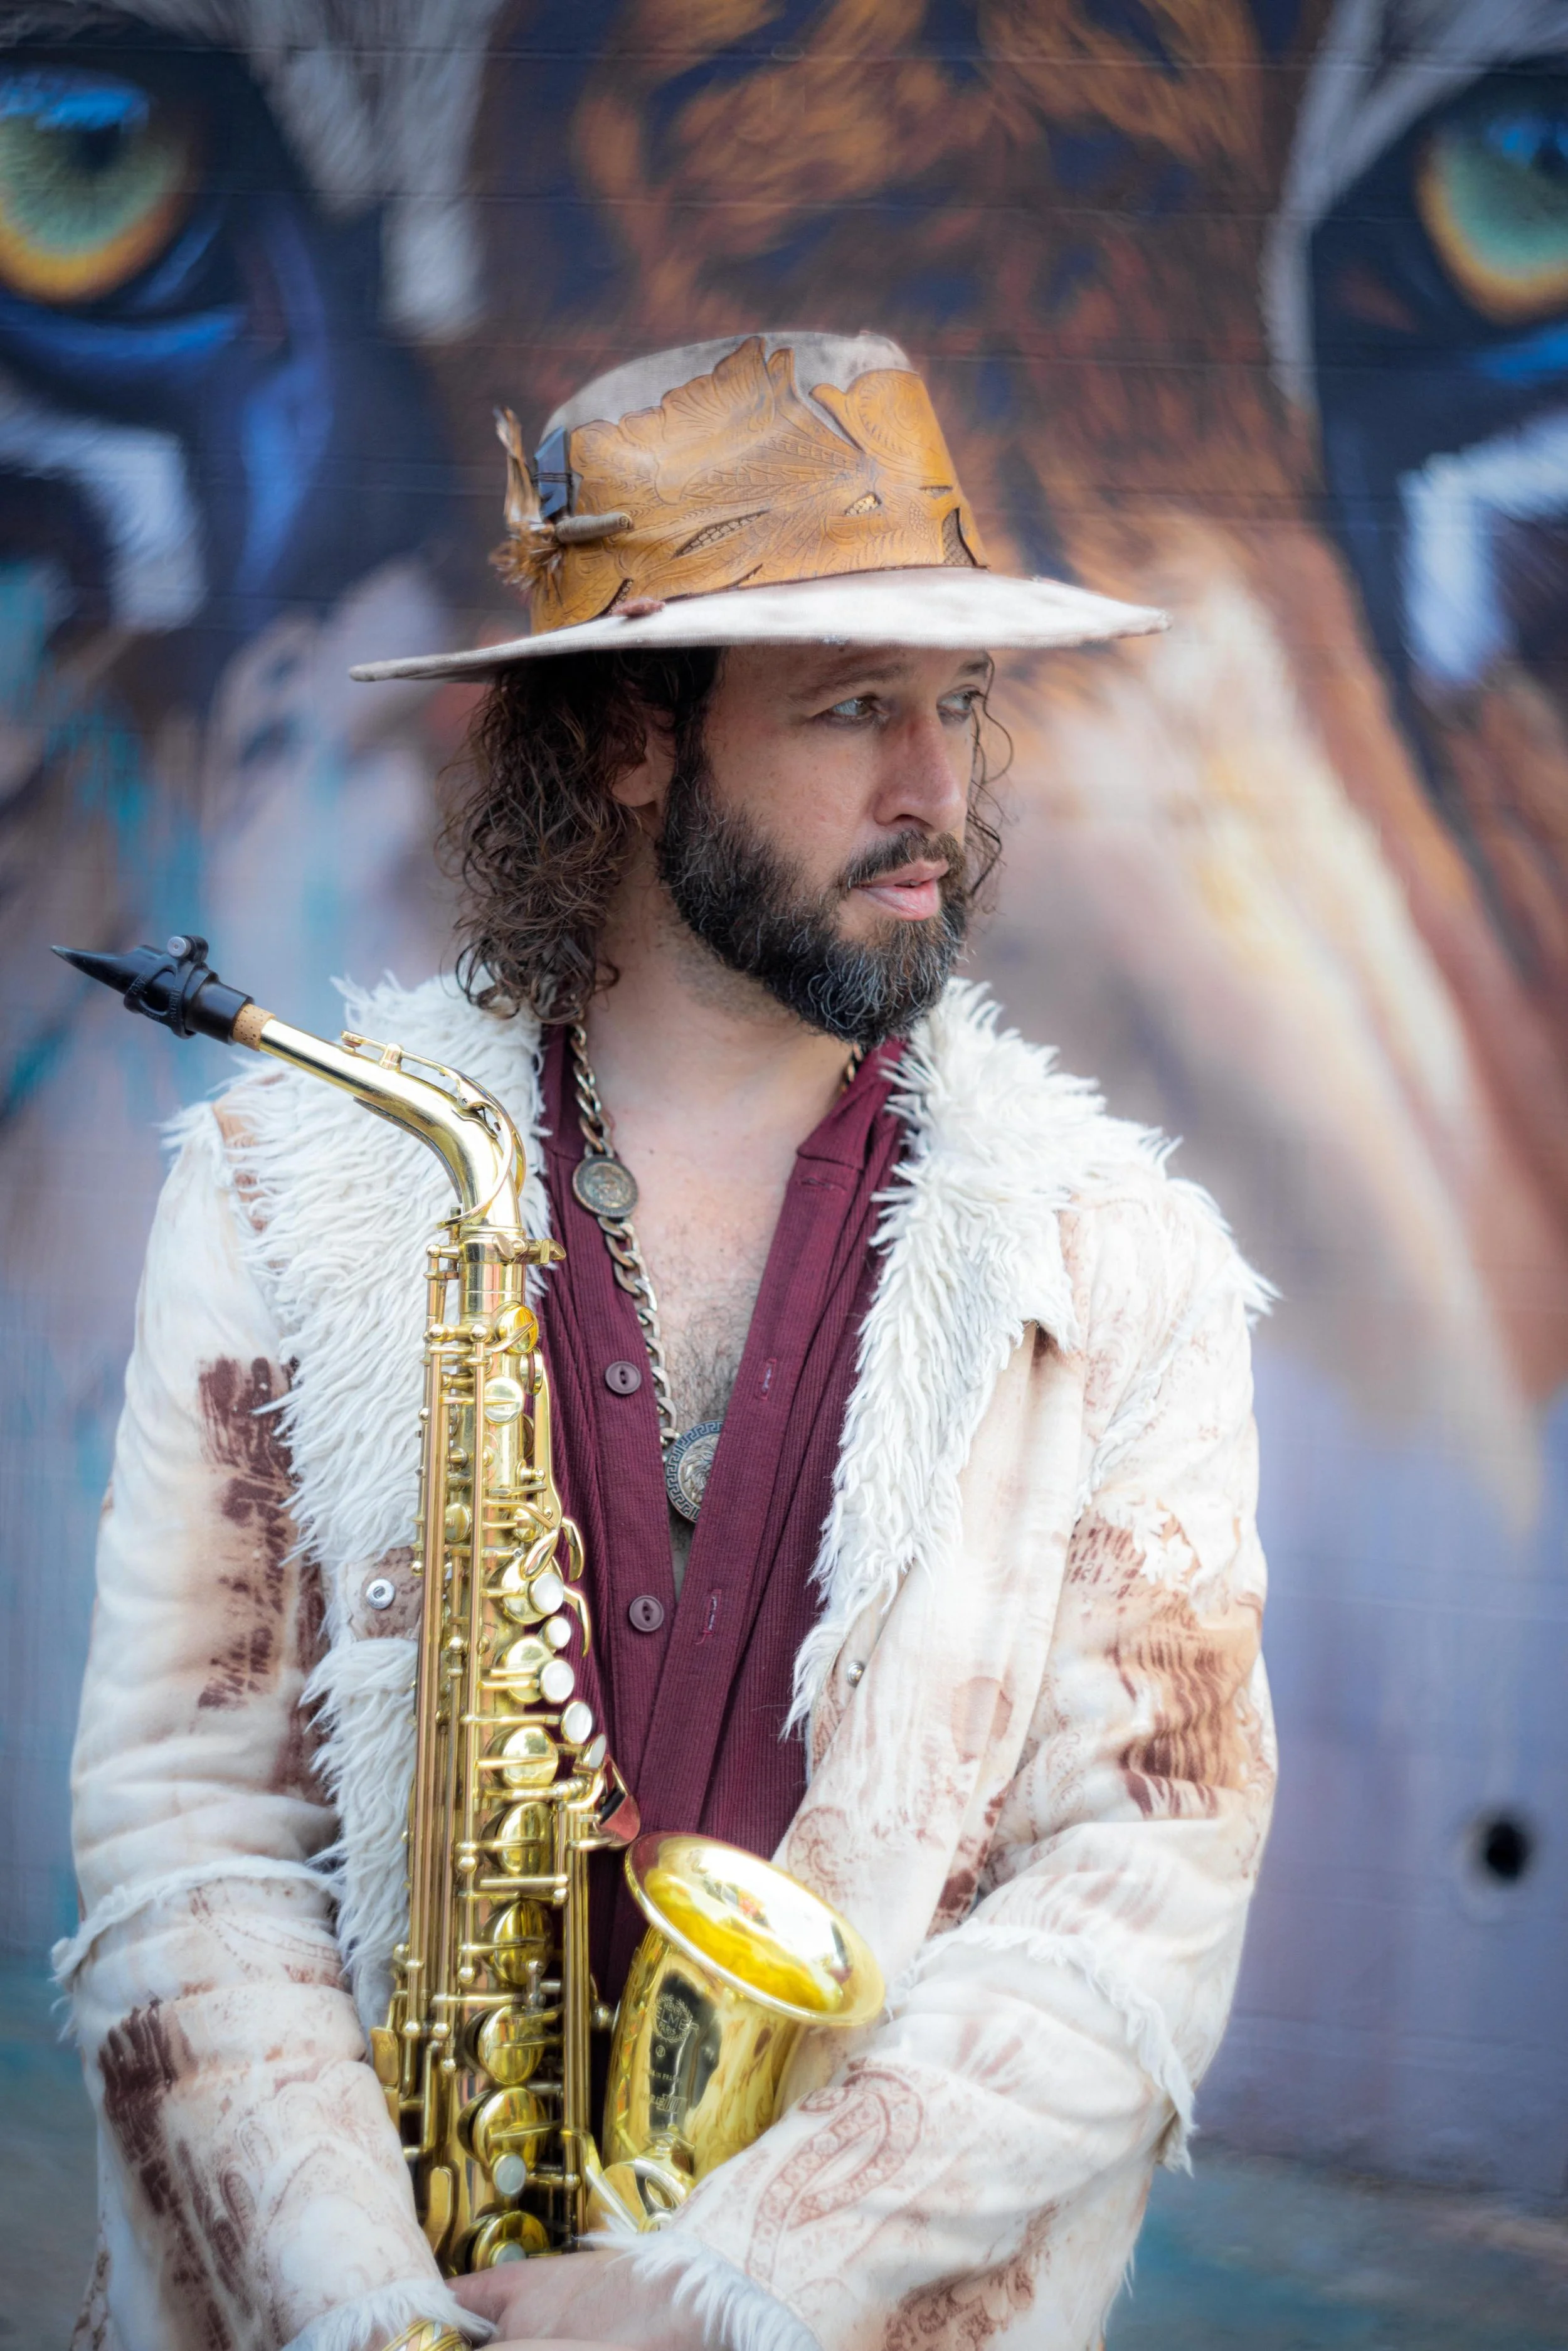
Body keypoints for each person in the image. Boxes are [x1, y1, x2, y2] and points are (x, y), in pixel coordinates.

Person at [58, 331, 1276, 2351]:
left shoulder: (1121, 1262)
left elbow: (1133, 1897)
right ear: (631, 735)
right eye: (854, 709)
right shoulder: (287, 1183)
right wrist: (377, 2313)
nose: (939, 793)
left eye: (961, 702)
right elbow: (196, 1839)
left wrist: (717, 2291)